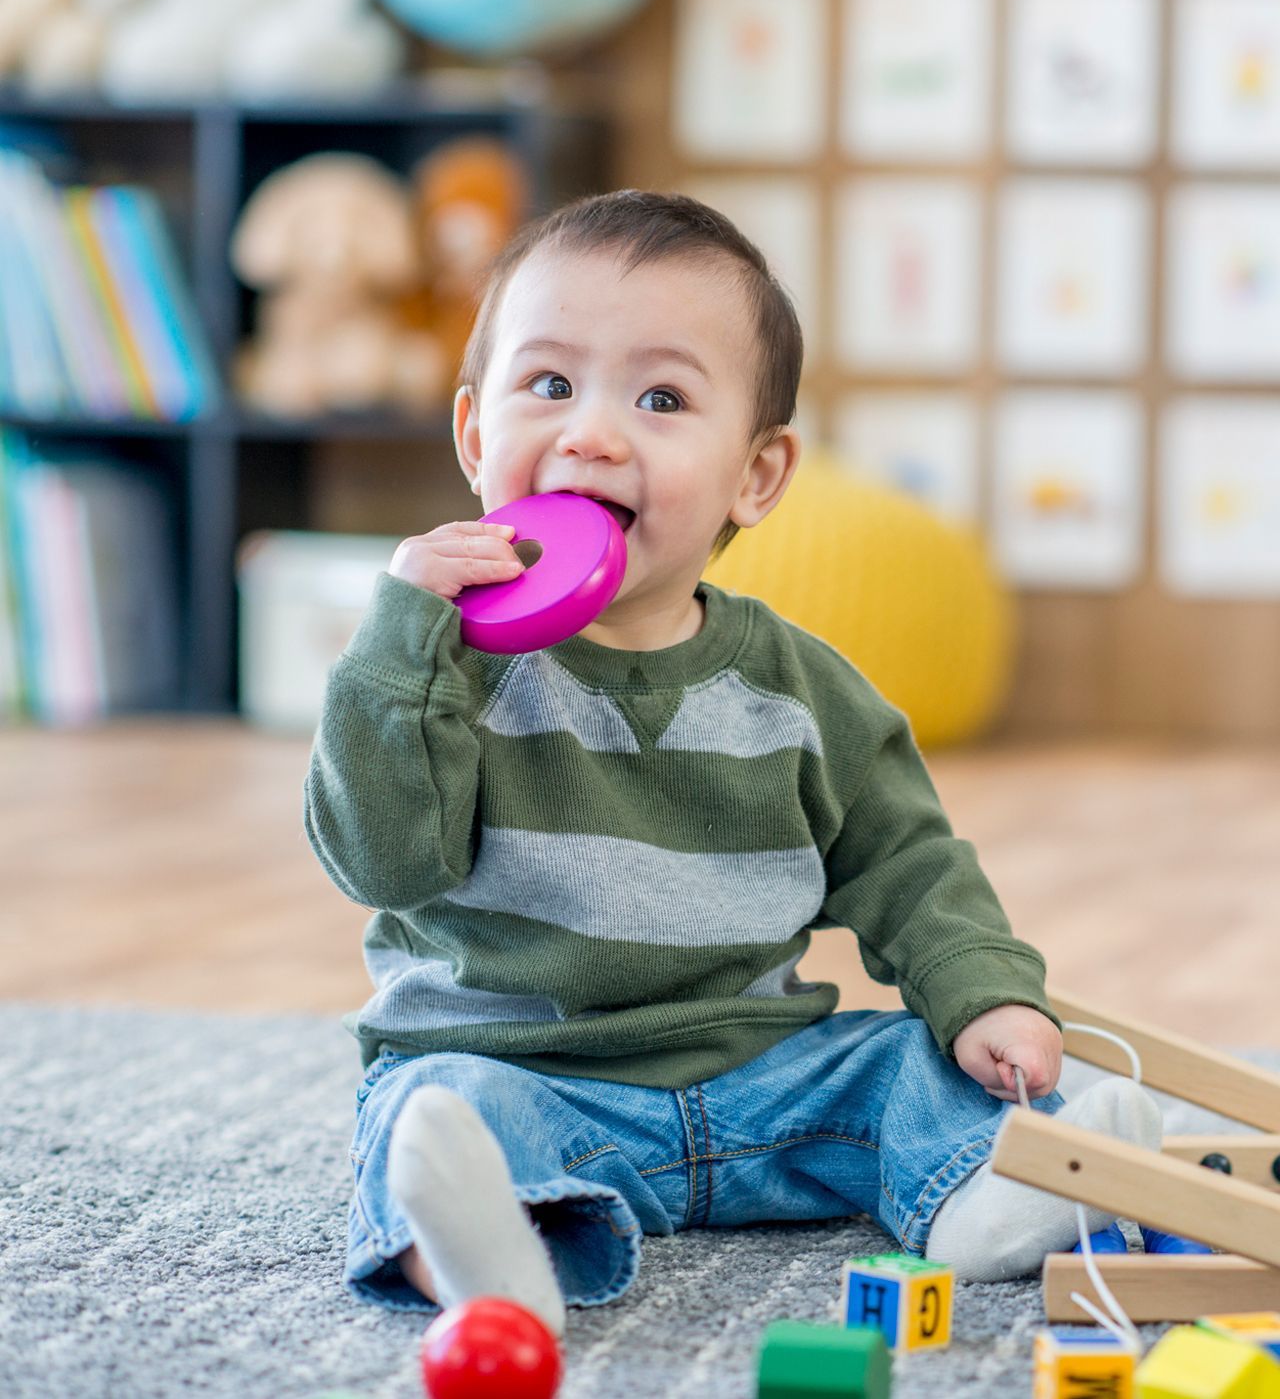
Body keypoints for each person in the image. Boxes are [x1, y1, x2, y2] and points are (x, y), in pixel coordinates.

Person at [305, 190, 1160, 1333]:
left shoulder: (802, 690)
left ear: (754, 476)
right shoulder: (437, 668)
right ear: (473, 436)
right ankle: (488, 1257)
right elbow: (384, 862)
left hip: (764, 1081)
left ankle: (995, 1186)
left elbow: (907, 863)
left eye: (658, 398)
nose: (590, 433)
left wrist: (983, 994)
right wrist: (396, 644)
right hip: (528, 1069)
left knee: (908, 1067)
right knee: (437, 1108)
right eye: (547, 385)